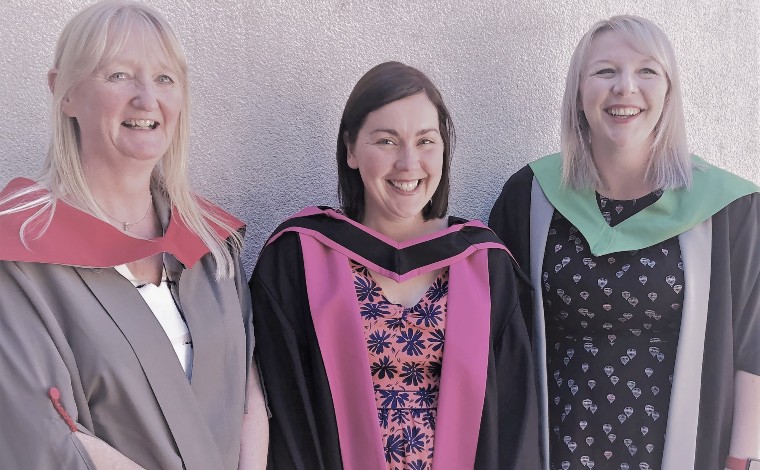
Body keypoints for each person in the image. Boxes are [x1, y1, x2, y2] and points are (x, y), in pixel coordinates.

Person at [0, 1, 267, 468]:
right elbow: (40, 425)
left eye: (165, 78)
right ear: (63, 92)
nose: (148, 99)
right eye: (118, 74)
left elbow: (248, 387)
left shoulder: (210, 245)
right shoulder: (19, 249)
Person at [489, 15, 760, 470]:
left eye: (647, 71)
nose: (625, 87)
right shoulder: (531, 197)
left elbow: (753, 345)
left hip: (682, 454)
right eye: (605, 71)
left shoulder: (729, 208)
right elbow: (495, 338)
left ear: (669, 93)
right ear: (579, 93)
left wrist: (742, 458)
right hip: (555, 451)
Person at [249, 61, 539, 470]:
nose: (408, 162)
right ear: (350, 149)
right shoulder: (298, 257)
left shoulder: (485, 264)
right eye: (386, 141)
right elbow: (285, 415)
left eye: (425, 141)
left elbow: (514, 422)